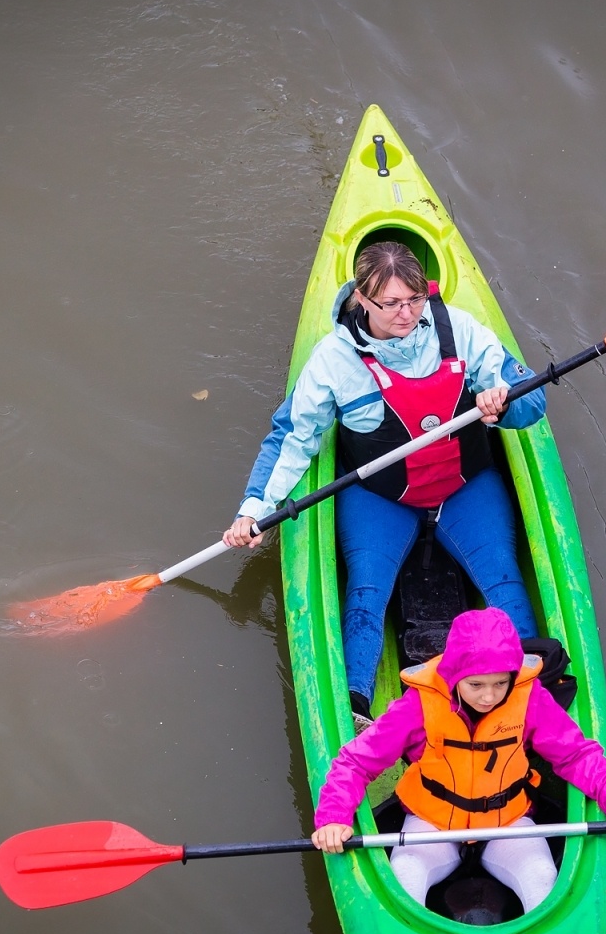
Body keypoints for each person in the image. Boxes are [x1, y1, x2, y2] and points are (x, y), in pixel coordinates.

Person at [224, 241, 547, 721]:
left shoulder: (459, 329)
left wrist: (503, 401)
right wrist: (254, 509)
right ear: (361, 298)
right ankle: (355, 711)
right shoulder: (334, 360)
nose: (406, 314)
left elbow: (532, 405)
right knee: (366, 594)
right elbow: (293, 438)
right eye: (391, 303)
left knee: (504, 580)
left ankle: (533, 698)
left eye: (415, 300)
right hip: (381, 497)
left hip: (466, 485)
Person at [309, 608, 606, 915]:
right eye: (475, 685)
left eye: (500, 684)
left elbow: (577, 755)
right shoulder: (417, 706)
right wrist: (333, 818)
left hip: (508, 822)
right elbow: (355, 763)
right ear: (454, 676)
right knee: (405, 878)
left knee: (540, 876)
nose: (488, 696)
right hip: (431, 825)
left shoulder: (530, 698)